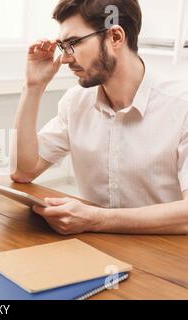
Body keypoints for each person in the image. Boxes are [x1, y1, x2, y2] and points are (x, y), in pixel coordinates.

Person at [11, 0, 188, 235]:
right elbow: (24, 171)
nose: (64, 59)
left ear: (115, 37)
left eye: (73, 43)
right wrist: (33, 87)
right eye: (63, 47)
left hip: (164, 255)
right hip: (93, 248)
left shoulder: (181, 105)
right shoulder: (76, 102)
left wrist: (96, 219)